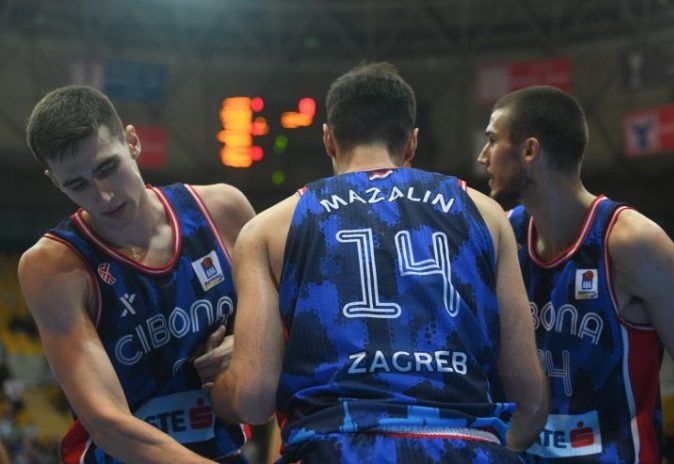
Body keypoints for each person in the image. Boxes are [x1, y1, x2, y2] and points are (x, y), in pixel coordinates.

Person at [210, 62, 548, 463]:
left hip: (335, 447)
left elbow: (252, 400)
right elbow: (530, 400)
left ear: (329, 139)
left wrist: (218, 387)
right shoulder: (486, 214)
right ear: (412, 143)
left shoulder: (268, 229)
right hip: (464, 445)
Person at [18, 86, 256, 463]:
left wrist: (247, 346)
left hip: (225, 449)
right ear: (55, 181)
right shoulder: (52, 267)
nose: (103, 195)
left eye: (106, 168)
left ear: (132, 142)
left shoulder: (222, 211)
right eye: (77, 184)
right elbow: (107, 424)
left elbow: (286, 330)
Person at [477, 85, 674, 463]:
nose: (482, 157)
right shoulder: (506, 236)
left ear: (529, 150)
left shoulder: (631, 242)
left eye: (493, 140)